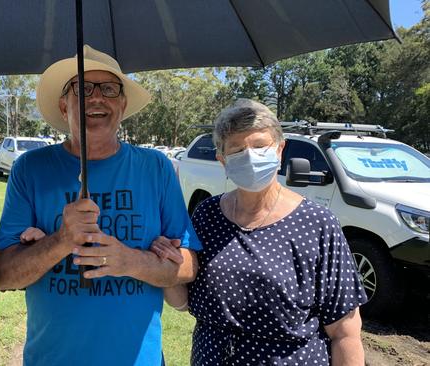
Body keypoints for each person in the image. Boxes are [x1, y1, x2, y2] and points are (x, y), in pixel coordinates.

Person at [0, 45, 201, 366]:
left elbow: (187, 266)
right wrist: (61, 239)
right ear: (64, 106)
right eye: (83, 88)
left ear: (123, 103)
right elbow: (5, 275)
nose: (97, 97)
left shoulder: (155, 166)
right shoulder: (31, 168)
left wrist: (128, 260)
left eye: (109, 89)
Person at [151, 99, 367, 365]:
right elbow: (183, 302)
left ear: (279, 149)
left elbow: (345, 334)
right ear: (222, 160)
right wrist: (167, 266)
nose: (250, 157)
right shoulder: (207, 215)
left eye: (259, 146)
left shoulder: (317, 224)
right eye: (238, 149)